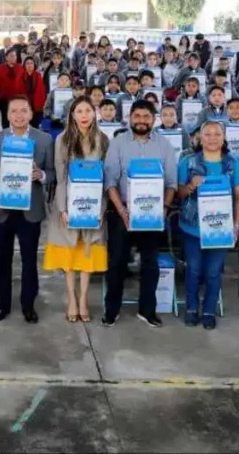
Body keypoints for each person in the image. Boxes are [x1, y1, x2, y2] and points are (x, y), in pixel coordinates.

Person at [102, 100, 178, 327]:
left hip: (153, 213)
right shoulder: (117, 143)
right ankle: (111, 309)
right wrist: (122, 210)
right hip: (121, 210)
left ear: (153, 119)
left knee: (150, 263)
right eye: (137, 116)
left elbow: (172, 183)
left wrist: (163, 209)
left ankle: (147, 310)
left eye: (146, 116)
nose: (142, 120)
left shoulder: (164, 145)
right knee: (116, 262)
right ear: (129, 118)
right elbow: (110, 182)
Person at [44, 94, 110, 322]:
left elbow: (105, 180)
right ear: (72, 115)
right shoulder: (62, 140)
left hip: (92, 206)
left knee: (87, 254)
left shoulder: (102, 140)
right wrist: (63, 209)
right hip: (69, 205)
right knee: (70, 254)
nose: (84, 116)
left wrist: (101, 209)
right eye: (79, 111)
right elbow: (60, 179)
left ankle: (83, 300)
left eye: (88, 111)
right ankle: (71, 298)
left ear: (95, 113)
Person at [0, 96, 54, 324]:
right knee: (0, 260)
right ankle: (3, 305)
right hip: (2, 209)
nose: (18, 115)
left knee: (28, 260)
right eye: (13, 111)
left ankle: (28, 305)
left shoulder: (44, 139)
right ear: (6, 115)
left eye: (23, 111)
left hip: (30, 209)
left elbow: (53, 172)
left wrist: (42, 175)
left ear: (30, 113)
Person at [176, 120, 239, 329]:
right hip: (192, 227)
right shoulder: (187, 163)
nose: (212, 138)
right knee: (194, 269)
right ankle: (191, 308)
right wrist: (190, 185)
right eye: (208, 134)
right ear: (200, 138)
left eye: (217, 134)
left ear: (223, 138)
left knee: (213, 272)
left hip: (220, 229)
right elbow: (179, 194)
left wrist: (236, 224)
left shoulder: (232, 164)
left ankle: (208, 310)